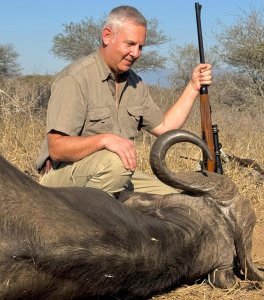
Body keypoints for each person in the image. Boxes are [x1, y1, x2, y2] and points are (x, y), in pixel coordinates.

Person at [36, 5, 213, 197]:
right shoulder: (75, 79)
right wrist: (103, 140)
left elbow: (164, 127)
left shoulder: (135, 83)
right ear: (107, 36)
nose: (136, 53)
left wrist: (193, 87)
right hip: (62, 177)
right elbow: (57, 148)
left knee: (178, 202)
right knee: (117, 165)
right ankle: (84, 224)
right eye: (129, 44)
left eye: (140, 47)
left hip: (116, 173)